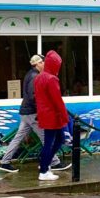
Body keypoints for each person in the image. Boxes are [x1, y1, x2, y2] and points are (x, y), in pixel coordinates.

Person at [0, 54, 61, 173]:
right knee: (45, 137)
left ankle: (4, 162)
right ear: (37, 64)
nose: (45, 64)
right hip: (32, 113)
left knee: (18, 138)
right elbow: (34, 96)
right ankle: (55, 162)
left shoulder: (31, 74)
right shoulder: (35, 76)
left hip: (26, 112)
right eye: (43, 62)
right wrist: (41, 109)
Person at [34, 50, 68, 182]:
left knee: (56, 140)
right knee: (51, 142)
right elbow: (57, 100)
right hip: (53, 116)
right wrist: (65, 116)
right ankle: (43, 170)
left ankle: (45, 164)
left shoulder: (39, 77)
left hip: (44, 114)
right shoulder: (52, 79)